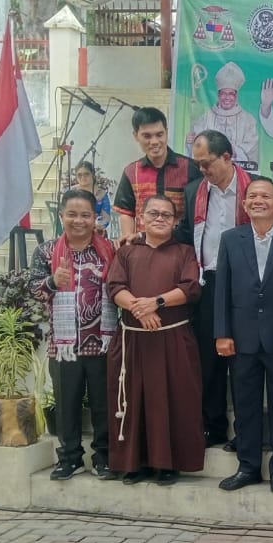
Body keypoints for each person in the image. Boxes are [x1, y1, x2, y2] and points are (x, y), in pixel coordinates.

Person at [214, 177, 273, 494]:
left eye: (266, 196)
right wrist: (222, 333)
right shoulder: (231, 239)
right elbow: (222, 288)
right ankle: (248, 467)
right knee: (245, 406)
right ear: (244, 204)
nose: (258, 200)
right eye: (252, 196)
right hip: (241, 338)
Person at [107, 195, 205, 485]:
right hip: (134, 339)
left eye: (166, 215)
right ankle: (134, 463)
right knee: (134, 399)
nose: (160, 218)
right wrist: (140, 309)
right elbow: (115, 287)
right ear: (141, 218)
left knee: (172, 400)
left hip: (173, 337)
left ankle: (167, 464)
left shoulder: (185, 252)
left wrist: (156, 302)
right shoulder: (126, 252)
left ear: (175, 221)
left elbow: (190, 288)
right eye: (154, 213)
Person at [30, 188, 117, 481]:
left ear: (95, 218)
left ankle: (104, 457)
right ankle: (69, 458)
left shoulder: (110, 250)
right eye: (72, 214)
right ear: (61, 216)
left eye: (85, 215)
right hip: (64, 345)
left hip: (103, 343)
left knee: (104, 404)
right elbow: (32, 290)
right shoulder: (46, 251)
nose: (78, 220)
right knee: (66, 405)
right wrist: (53, 281)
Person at [175, 130, 252, 448]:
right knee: (209, 359)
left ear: (227, 157)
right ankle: (213, 426)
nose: (201, 169)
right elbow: (184, 234)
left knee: (244, 362)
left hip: (247, 286)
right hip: (208, 282)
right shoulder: (194, 190)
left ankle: (246, 432)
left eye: (206, 163)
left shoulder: (254, 188)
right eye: (197, 163)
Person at [113, 107, 201, 239]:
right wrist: (129, 240)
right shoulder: (131, 172)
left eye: (159, 135)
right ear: (136, 136)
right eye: (147, 136)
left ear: (166, 132)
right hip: (143, 245)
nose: (154, 142)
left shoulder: (190, 168)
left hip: (180, 245)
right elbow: (126, 212)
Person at [187, 62, 260, 164]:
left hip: (238, 169)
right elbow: (196, 148)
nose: (227, 98)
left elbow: (252, 148)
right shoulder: (206, 117)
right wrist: (190, 142)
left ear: (236, 96)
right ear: (218, 95)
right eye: (223, 93)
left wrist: (235, 150)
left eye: (231, 94)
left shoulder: (248, 120)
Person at [71, 161, 112, 232]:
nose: (83, 177)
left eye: (86, 174)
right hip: (75, 230)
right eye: (79, 175)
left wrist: (95, 225)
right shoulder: (71, 192)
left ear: (92, 174)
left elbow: (106, 218)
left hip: (96, 230)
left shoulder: (101, 193)